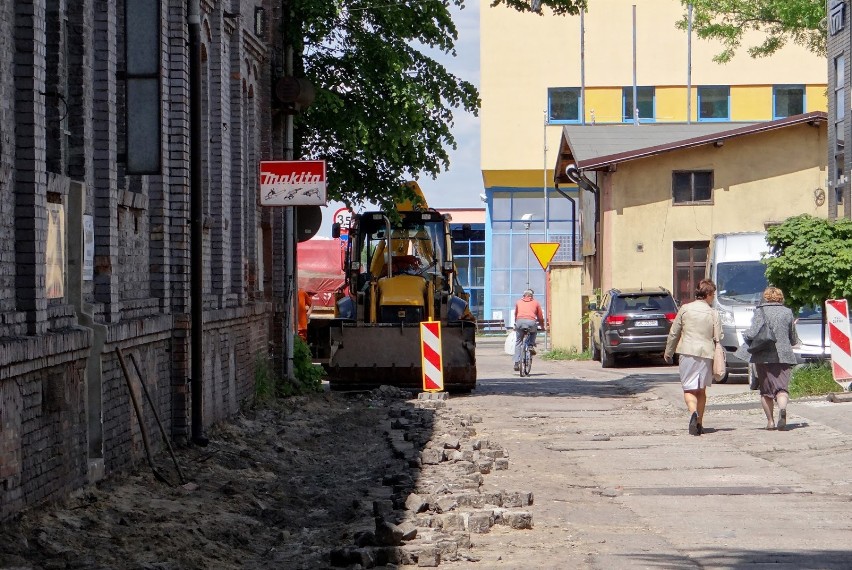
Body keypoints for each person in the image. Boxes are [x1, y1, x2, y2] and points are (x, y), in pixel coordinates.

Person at [734, 286, 800, 430]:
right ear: (780, 297)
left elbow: (752, 333)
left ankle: (770, 422)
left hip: (762, 355)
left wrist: (745, 335)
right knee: (782, 388)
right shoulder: (787, 312)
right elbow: (793, 337)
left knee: (765, 391)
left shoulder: (760, 311)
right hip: (783, 355)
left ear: (766, 297)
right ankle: (782, 410)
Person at [664, 279, 722, 436]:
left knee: (689, 388)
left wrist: (668, 352)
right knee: (701, 390)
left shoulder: (685, 309)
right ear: (708, 294)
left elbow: (674, 332)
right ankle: (700, 423)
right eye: (713, 294)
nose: (713, 297)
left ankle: (692, 413)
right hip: (706, 354)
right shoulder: (713, 313)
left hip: (687, 352)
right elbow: (719, 336)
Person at [513, 289, 544, 371]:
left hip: (519, 322)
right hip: (531, 322)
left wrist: (515, 324)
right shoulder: (536, 303)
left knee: (518, 342)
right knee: (533, 332)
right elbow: (540, 317)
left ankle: (516, 363)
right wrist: (542, 326)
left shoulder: (518, 302)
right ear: (532, 296)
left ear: (523, 296)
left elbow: (515, 314)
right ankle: (530, 345)